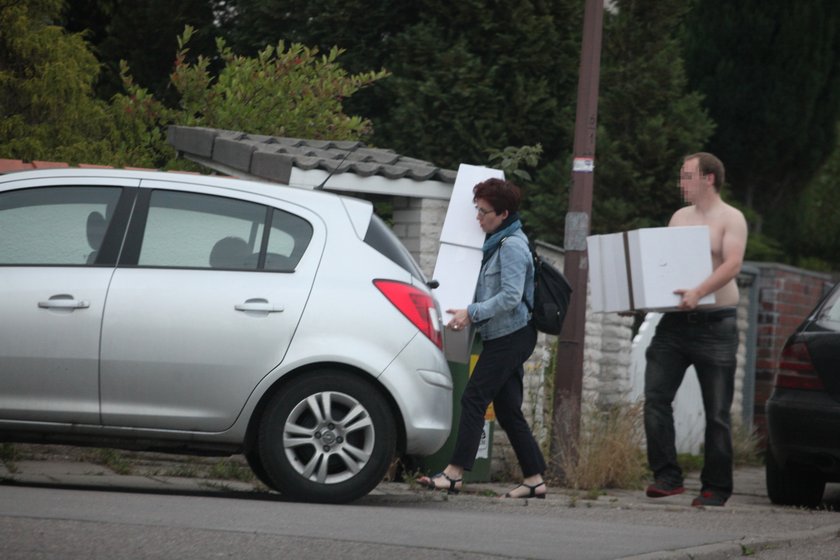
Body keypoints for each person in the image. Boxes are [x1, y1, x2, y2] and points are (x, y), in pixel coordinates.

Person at [417, 177, 547, 499]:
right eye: (477, 210)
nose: (478, 218)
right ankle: (534, 478)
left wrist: (471, 312)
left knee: (473, 397)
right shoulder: (496, 243)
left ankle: (454, 473)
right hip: (502, 335)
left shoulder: (513, 246)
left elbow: (511, 298)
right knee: (507, 410)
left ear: (503, 214)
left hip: (513, 336)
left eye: (484, 212)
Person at [643, 152, 748, 507]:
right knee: (656, 399)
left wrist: (699, 292)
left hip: (716, 325)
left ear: (709, 179)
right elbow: (665, 266)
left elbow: (732, 264)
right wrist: (640, 300)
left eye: (687, 176)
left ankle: (715, 487)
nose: (680, 183)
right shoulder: (679, 217)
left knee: (716, 412)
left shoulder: (731, 218)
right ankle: (667, 477)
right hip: (674, 325)